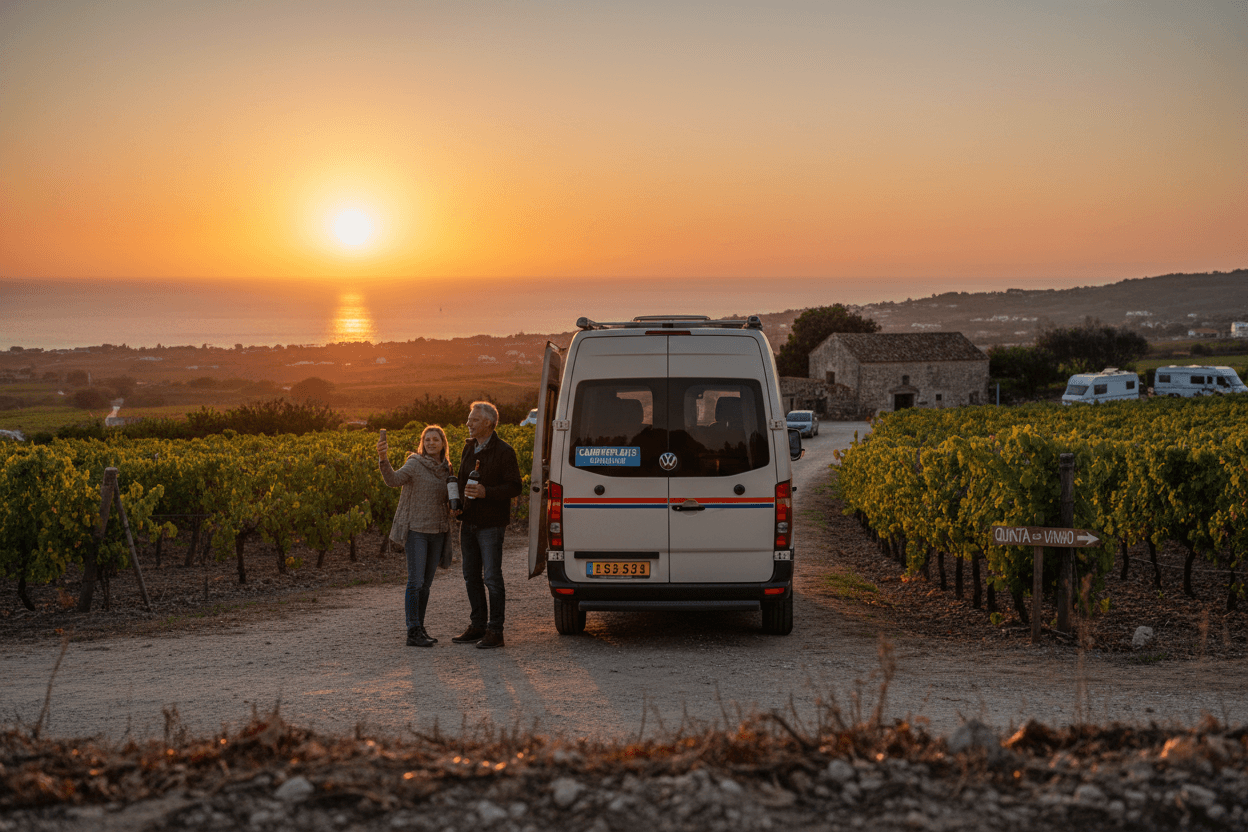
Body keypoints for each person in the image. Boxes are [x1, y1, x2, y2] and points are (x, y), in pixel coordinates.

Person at [451, 401, 522, 649]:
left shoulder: (504, 451)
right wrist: (457, 504)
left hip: (491, 524)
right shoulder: (468, 448)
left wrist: (486, 492)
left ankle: (495, 631)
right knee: (471, 576)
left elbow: (515, 486)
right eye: (469, 419)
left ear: (489, 423)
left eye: (474, 420)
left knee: (492, 577)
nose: (468, 423)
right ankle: (478, 625)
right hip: (468, 522)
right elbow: (461, 480)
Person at [378, 425, 453, 648]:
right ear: (423, 443)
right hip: (417, 532)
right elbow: (392, 480)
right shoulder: (414, 463)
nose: (431, 443)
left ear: (443, 443)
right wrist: (383, 458)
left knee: (426, 585)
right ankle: (412, 630)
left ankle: (420, 627)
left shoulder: (447, 468)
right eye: (427, 439)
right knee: (415, 582)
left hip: (438, 531)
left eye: (435, 440)